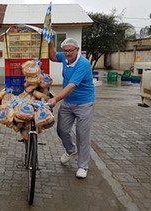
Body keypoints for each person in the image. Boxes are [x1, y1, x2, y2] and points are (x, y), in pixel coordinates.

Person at [48, 37, 95, 179]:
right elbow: (52, 56)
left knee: (82, 135)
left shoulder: (83, 64)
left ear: (77, 50)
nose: (67, 54)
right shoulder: (64, 58)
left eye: (70, 51)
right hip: (68, 102)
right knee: (61, 130)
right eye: (65, 51)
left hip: (84, 103)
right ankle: (70, 149)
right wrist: (50, 41)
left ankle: (82, 166)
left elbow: (71, 86)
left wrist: (55, 99)